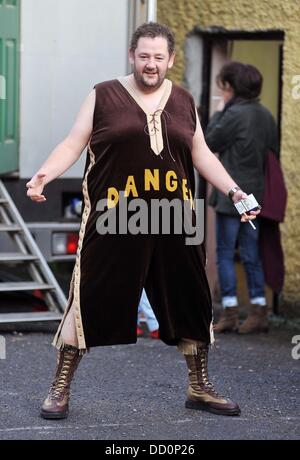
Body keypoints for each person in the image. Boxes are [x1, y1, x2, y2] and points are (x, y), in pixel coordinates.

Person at [26, 23, 259, 420]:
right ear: (132, 56)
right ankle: (60, 388)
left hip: (175, 217)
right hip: (115, 215)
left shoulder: (184, 100)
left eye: (159, 57)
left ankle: (198, 386)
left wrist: (235, 192)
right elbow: (73, 141)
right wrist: (44, 173)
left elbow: (201, 153)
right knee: (88, 298)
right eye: (144, 56)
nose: (151, 64)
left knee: (191, 298)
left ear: (170, 59)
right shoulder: (103, 95)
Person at [205, 62, 278, 334]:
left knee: (225, 253)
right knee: (251, 253)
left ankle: (230, 312)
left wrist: (219, 112)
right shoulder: (266, 115)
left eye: (224, 86)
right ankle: (259, 311)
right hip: (256, 195)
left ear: (232, 87)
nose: (222, 91)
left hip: (231, 195)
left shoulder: (233, 114)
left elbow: (209, 142)